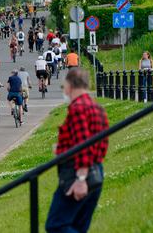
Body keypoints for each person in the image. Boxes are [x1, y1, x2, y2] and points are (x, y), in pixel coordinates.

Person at [45, 68, 109, 233]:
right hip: (96, 172)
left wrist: (81, 178)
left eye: (64, 86)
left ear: (70, 85)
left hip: (77, 173)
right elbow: (100, 144)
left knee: (56, 225)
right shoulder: (97, 108)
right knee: (78, 226)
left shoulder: (78, 108)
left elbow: (83, 144)